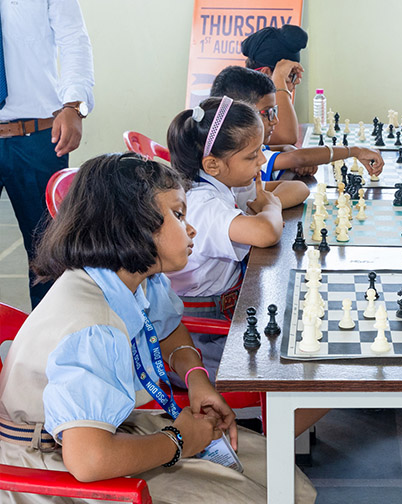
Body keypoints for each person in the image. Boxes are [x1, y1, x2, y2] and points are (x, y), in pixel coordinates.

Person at [0, 153, 316, 503]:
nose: (191, 229)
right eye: (179, 215)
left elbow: (167, 330)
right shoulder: (93, 327)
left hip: (100, 430)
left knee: (278, 472)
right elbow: (88, 460)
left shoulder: (136, 277)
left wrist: (197, 380)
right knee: (253, 497)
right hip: (48, 463)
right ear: (133, 227)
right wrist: (178, 440)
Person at [165, 96, 307, 381]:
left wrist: (268, 206)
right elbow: (266, 233)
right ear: (213, 164)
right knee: (294, 366)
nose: (263, 161)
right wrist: (270, 208)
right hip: (199, 336)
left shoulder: (224, 183)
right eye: (252, 156)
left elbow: (299, 188)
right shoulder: (203, 204)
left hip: (230, 311)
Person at [0, 0, 94, 308]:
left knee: (47, 254)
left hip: (37, 136)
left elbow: (73, 39)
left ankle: (50, 336)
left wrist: (74, 105)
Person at [210, 65, 384, 179]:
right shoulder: (239, 154)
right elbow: (299, 158)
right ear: (241, 114)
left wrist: (287, 148)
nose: (275, 120)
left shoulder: (243, 147)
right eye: (268, 113)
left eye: (275, 111)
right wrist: (354, 151)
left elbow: (281, 150)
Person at [241, 24, 307, 146]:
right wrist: (279, 80)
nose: (297, 81)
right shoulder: (243, 105)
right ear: (265, 73)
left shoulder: (264, 103)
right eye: (291, 75)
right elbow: (286, 137)